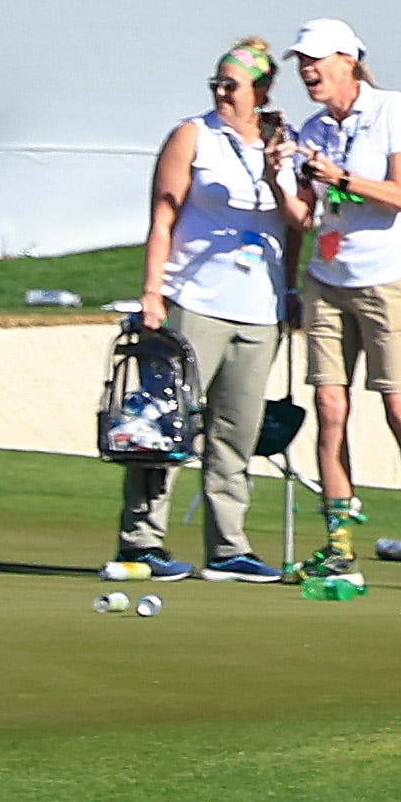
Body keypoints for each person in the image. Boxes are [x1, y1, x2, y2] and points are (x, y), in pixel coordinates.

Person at [116, 34, 304, 584]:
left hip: (259, 307)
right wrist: (153, 291)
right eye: (217, 84)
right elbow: (163, 216)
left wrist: (289, 289)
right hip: (195, 301)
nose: (223, 93)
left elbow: (292, 228)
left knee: (235, 432)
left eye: (233, 85)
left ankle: (228, 547)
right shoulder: (194, 134)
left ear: (262, 90)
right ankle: (140, 540)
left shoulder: (282, 143)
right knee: (166, 422)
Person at [285, 14, 401, 586]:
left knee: (400, 411)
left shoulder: (392, 109)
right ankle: (338, 542)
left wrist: (342, 177)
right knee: (330, 408)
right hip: (328, 278)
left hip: (389, 279)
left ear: (346, 61)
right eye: (302, 62)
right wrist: (278, 176)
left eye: (316, 60)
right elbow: (305, 217)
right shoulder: (311, 130)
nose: (308, 70)